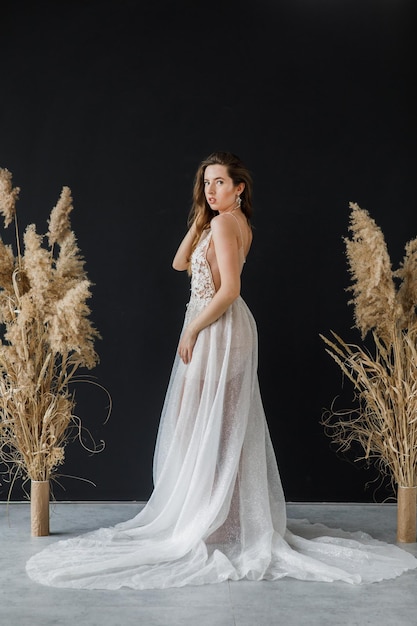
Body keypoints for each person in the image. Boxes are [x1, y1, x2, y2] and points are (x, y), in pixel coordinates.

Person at [26, 152, 417, 589]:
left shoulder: (228, 224)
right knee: (212, 423)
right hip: (215, 325)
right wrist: (199, 220)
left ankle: (216, 521)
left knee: (218, 423)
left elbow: (230, 289)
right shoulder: (218, 222)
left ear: (239, 188)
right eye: (206, 183)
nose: (211, 190)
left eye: (219, 183)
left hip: (218, 328)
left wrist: (192, 328)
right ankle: (217, 518)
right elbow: (179, 264)